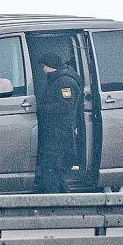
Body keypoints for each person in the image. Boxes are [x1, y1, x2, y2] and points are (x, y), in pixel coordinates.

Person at [35, 52, 83, 193]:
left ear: (50, 66)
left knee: (50, 167)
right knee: (55, 169)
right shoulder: (57, 80)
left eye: (43, 66)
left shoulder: (65, 82)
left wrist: (41, 109)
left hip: (59, 132)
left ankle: (54, 201)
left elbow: (65, 106)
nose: (42, 69)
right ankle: (65, 201)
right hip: (55, 131)